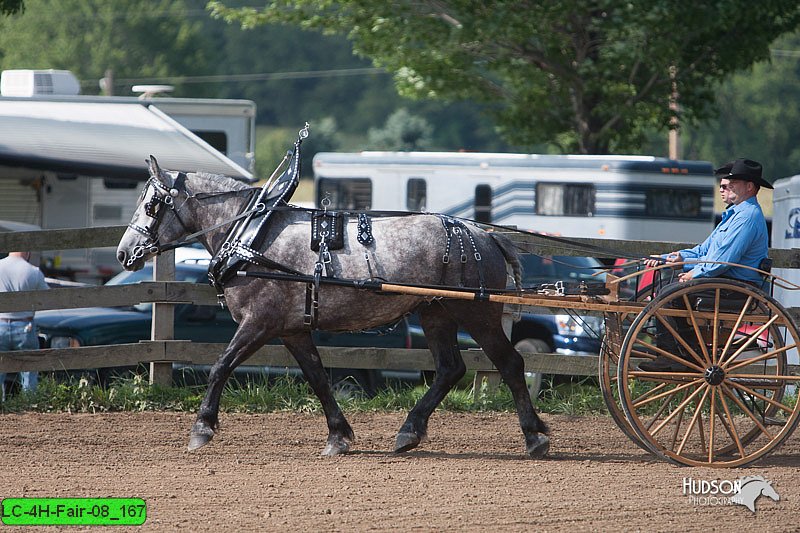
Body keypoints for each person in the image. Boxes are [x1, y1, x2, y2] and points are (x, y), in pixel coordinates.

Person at [640, 158, 772, 371]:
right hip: (726, 281)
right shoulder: (733, 216)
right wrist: (677, 258)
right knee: (667, 288)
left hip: (737, 286)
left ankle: (677, 356)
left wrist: (695, 273)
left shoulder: (747, 217)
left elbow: (723, 260)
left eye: (732, 183)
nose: (725, 187)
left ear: (750, 186)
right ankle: (687, 351)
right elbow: (704, 250)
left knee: (669, 293)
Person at [0, 251, 49, 401]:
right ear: (27, 253)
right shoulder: (33, 271)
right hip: (24, 325)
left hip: (1, 323)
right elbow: (47, 298)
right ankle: (29, 403)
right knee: (29, 369)